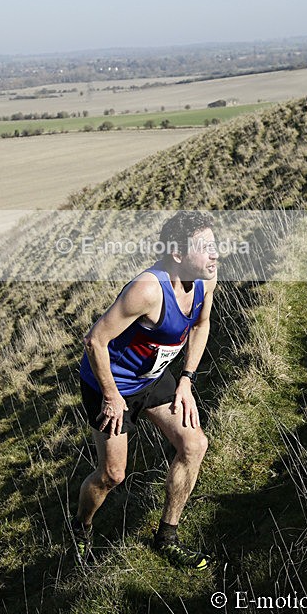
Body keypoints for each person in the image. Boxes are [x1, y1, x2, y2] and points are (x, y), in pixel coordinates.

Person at [71, 210, 218, 570]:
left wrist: (186, 379)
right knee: (112, 476)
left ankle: (166, 538)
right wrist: (110, 395)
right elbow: (94, 341)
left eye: (216, 245)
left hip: (153, 378)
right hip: (111, 384)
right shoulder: (148, 290)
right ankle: (81, 529)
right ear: (178, 254)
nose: (215, 255)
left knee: (194, 444)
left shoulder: (205, 278)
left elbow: (202, 324)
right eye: (205, 248)